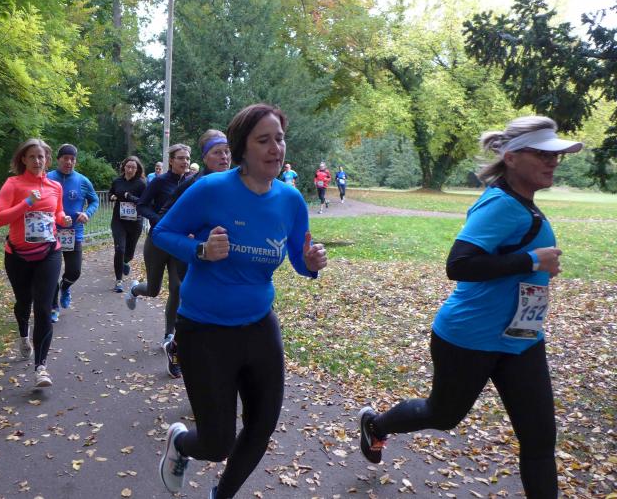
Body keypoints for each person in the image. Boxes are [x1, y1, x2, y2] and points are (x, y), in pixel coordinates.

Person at [357, 116, 582, 499]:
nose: (552, 161)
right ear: (511, 158)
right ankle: (376, 425)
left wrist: (535, 266)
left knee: (540, 440)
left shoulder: (521, 203)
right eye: (542, 154)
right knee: (443, 415)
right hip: (469, 338)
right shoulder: (500, 205)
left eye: (555, 155)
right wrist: (532, 261)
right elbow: (458, 264)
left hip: (522, 339)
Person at [152, 104, 328, 499]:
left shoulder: (290, 200)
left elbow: (298, 258)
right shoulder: (211, 189)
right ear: (242, 149)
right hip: (204, 328)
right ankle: (180, 443)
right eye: (263, 140)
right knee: (217, 443)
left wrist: (311, 261)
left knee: (262, 426)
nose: (275, 148)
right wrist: (200, 250)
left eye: (279, 138)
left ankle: (222, 495)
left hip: (259, 324)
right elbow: (161, 233)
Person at [0, 138, 72, 388]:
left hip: (49, 253)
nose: (37, 161)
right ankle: (23, 335)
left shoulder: (54, 186)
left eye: (41, 156)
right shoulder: (13, 184)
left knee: (43, 307)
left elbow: (56, 213)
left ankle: (41, 367)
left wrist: (63, 218)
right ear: (23, 160)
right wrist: (26, 203)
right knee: (23, 302)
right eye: (32, 157)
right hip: (18, 255)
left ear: (47, 159)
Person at [156, 129, 232, 378]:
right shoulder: (193, 185)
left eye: (227, 152)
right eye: (217, 152)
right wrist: (190, 240)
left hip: (227, 259)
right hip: (195, 258)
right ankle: (176, 349)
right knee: (194, 313)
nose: (224, 157)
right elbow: (164, 222)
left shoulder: (238, 183)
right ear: (205, 156)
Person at [124, 143, 191, 355]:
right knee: (153, 290)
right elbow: (142, 205)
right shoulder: (160, 181)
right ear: (171, 160)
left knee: (177, 288)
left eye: (187, 158)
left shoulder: (192, 182)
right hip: (158, 240)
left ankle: (169, 335)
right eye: (181, 158)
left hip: (179, 242)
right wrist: (159, 220)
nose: (185, 162)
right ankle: (135, 289)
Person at [47, 144, 99, 322]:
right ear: (58, 159)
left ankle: (65, 286)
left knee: (74, 271)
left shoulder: (82, 180)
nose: (69, 162)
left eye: (72, 159)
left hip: (73, 233)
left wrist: (87, 213)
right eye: (65, 158)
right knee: (50, 273)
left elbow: (95, 200)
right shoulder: (48, 178)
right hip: (50, 232)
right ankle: (53, 306)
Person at [108, 156, 147, 293]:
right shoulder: (117, 181)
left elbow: (145, 202)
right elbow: (111, 192)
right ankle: (118, 281)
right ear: (124, 167)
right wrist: (112, 196)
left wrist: (129, 197)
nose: (130, 170)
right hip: (118, 220)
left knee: (129, 254)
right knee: (120, 249)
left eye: (133, 168)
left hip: (135, 222)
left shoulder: (141, 184)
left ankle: (124, 262)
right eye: (128, 167)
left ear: (137, 169)